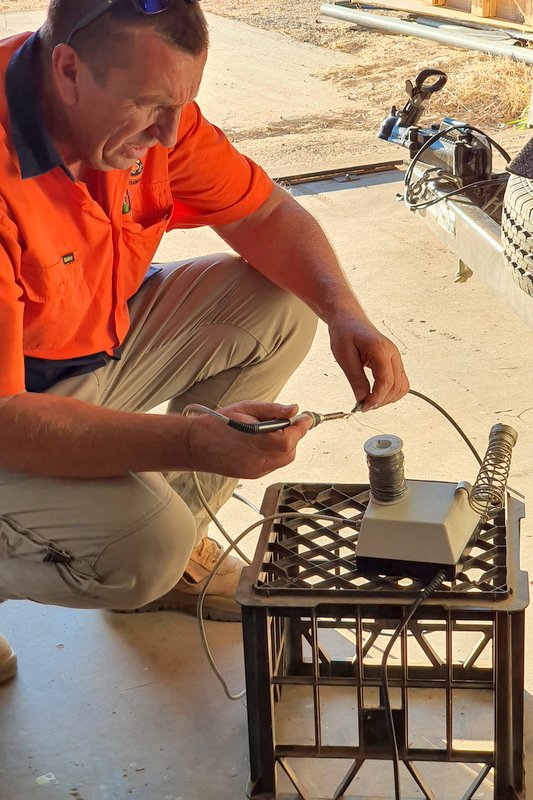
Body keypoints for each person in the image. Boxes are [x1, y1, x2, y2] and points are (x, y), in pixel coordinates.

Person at [0, 0, 409, 682]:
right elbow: (7, 422)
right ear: (68, 68)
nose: (167, 134)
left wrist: (347, 314)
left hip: (78, 351)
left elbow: (266, 212)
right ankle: (150, 555)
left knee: (277, 305)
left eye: (181, 105)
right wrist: (193, 442)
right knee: (143, 548)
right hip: (13, 406)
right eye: (148, 106)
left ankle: (176, 565)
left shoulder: (150, 114)